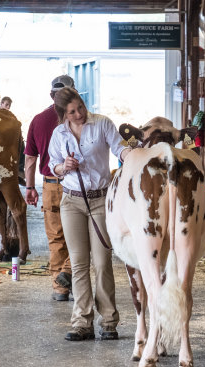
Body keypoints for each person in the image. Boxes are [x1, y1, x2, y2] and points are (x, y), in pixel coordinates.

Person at [48, 87, 131, 341]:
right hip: (72, 201)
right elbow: (53, 165)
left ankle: (108, 322)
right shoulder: (59, 134)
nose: (79, 114)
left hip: (100, 200)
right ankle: (82, 322)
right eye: (72, 112)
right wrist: (65, 166)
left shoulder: (102, 124)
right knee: (79, 262)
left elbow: (120, 149)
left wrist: (135, 157)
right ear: (64, 114)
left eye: (80, 107)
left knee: (103, 261)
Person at [24, 75, 75, 301]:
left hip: (50, 185)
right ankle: (70, 273)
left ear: (51, 95)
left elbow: (30, 160)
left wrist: (29, 187)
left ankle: (59, 288)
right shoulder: (80, 119)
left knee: (56, 238)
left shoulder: (37, 120)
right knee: (80, 235)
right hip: (76, 185)